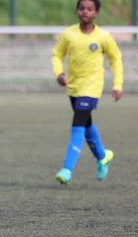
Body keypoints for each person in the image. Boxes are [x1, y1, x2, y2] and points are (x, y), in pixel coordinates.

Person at [52, 0, 123, 185]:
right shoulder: (69, 34)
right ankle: (102, 156)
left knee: (77, 124)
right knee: (86, 123)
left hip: (92, 88)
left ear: (96, 13)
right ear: (77, 11)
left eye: (89, 9)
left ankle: (67, 169)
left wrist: (117, 84)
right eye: (82, 8)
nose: (85, 11)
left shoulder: (103, 37)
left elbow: (115, 59)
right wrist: (59, 73)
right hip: (73, 87)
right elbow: (57, 54)